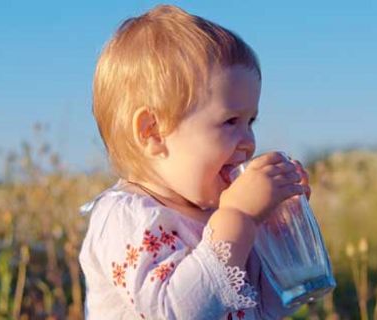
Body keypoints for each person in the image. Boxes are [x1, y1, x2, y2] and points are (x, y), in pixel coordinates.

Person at [79, 4, 311, 319]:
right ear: (153, 132)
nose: (249, 141)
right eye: (230, 121)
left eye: (251, 121)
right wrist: (239, 216)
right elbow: (174, 311)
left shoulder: (220, 216)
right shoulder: (127, 217)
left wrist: (279, 229)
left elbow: (269, 306)